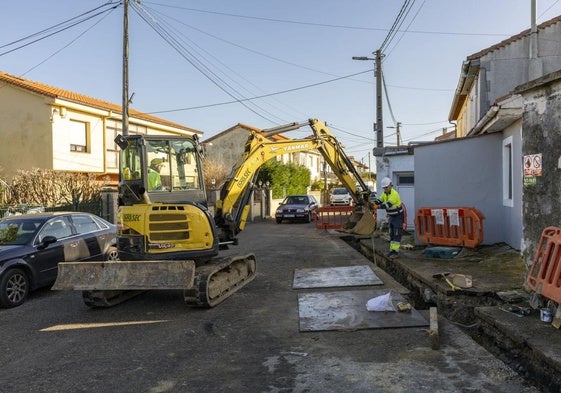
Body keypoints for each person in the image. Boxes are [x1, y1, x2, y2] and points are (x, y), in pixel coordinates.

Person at [374, 177, 404, 258]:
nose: (385, 189)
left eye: (386, 187)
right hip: (391, 216)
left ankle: (395, 252)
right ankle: (392, 251)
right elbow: (380, 200)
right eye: (384, 188)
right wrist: (374, 203)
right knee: (392, 234)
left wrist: (377, 207)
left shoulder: (394, 194)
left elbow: (387, 205)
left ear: (390, 185)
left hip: (398, 217)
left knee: (397, 234)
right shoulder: (385, 193)